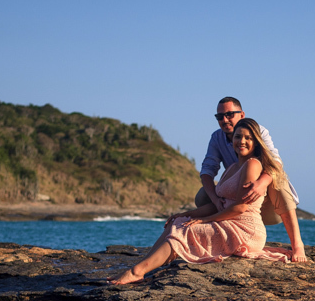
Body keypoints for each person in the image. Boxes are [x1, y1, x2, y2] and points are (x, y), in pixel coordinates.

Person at [109, 118, 295, 284]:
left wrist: (205, 220)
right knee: (178, 222)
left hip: (245, 229)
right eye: (238, 137)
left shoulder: (253, 164)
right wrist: (186, 214)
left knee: (187, 231)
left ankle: (136, 272)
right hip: (230, 222)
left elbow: (239, 208)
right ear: (232, 140)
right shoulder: (231, 168)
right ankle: (143, 267)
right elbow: (219, 203)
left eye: (248, 138)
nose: (242, 142)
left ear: (256, 142)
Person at [199, 97, 307, 262]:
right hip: (236, 205)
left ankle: (297, 245)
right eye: (219, 117)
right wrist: (214, 199)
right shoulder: (217, 138)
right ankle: (223, 239)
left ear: (241, 114)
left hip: (265, 203)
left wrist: (261, 182)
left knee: (278, 181)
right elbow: (207, 170)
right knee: (203, 195)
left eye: (229, 114)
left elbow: (276, 161)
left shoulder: (259, 131)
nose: (224, 120)